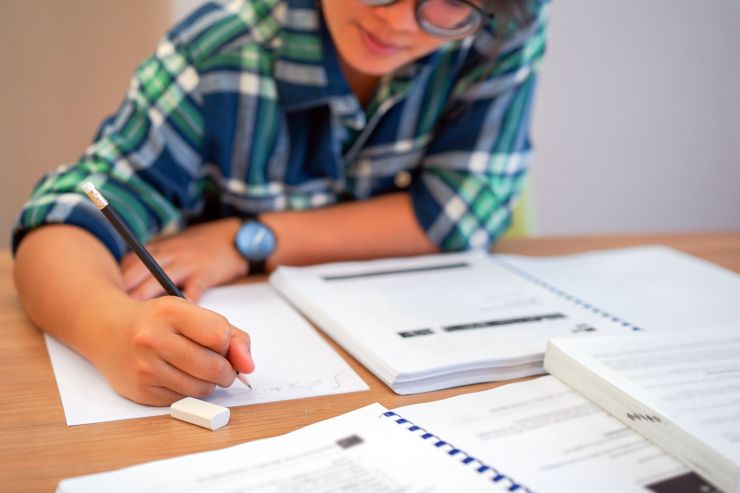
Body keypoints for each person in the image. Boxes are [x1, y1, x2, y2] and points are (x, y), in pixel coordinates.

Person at [12, 0, 547, 405]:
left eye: (451, 0)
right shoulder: (220, 48)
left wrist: (248, 240)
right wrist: (110, 328)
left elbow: (460, 210)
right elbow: (65, 217)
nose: (401, 21)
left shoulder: (498, 29)